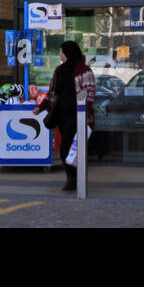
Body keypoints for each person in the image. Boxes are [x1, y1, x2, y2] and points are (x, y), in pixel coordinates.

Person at [34, 40, 96, 191]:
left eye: (61, 52)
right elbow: (51, 92)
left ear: (68, 53)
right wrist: (41, 108)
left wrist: (86, 113)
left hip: (78, 116)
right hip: (62, 115)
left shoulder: (84, 70)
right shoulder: (58, 70)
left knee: (69, 148)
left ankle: (74, 178)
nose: (60, 55)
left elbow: (90, 94)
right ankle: (72, 177)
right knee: (65, 149)